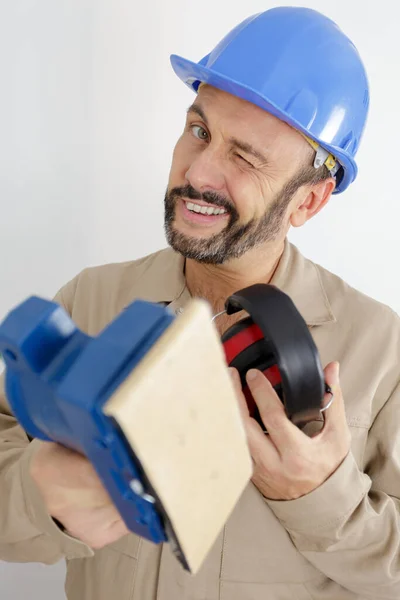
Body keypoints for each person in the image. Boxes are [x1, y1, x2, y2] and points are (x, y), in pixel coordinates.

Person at [1, 6, 400, 600]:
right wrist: (44, 498)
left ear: (308, 203)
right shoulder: (91, 299)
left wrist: (320, 499)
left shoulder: (382, 349)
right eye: (200, 130)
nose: (199, 172)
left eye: (246, 157)